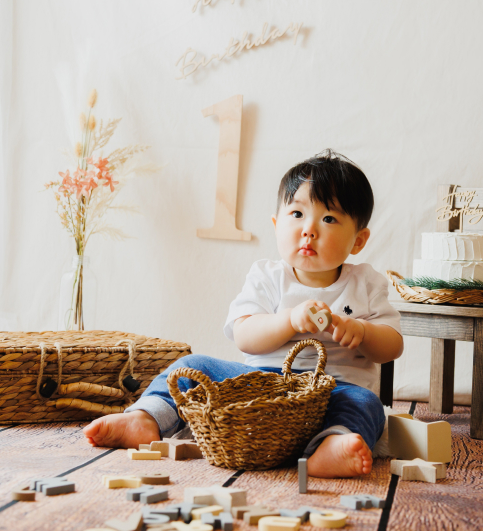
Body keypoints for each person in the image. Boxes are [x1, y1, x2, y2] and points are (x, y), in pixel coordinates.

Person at [84, 150, 403, 478]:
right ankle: (147, 418)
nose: (309, 229)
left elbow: (392, 345)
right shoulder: (268, 276)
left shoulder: (365, 283)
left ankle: (332, 444)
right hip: (259, 386)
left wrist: (363, 333)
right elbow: (244, 335)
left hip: (334, 390)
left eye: (329, 219)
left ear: (358, 240)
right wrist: (289, 320)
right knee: (191, 368)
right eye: (297, 213)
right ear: (276, 225)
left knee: (366, 404)